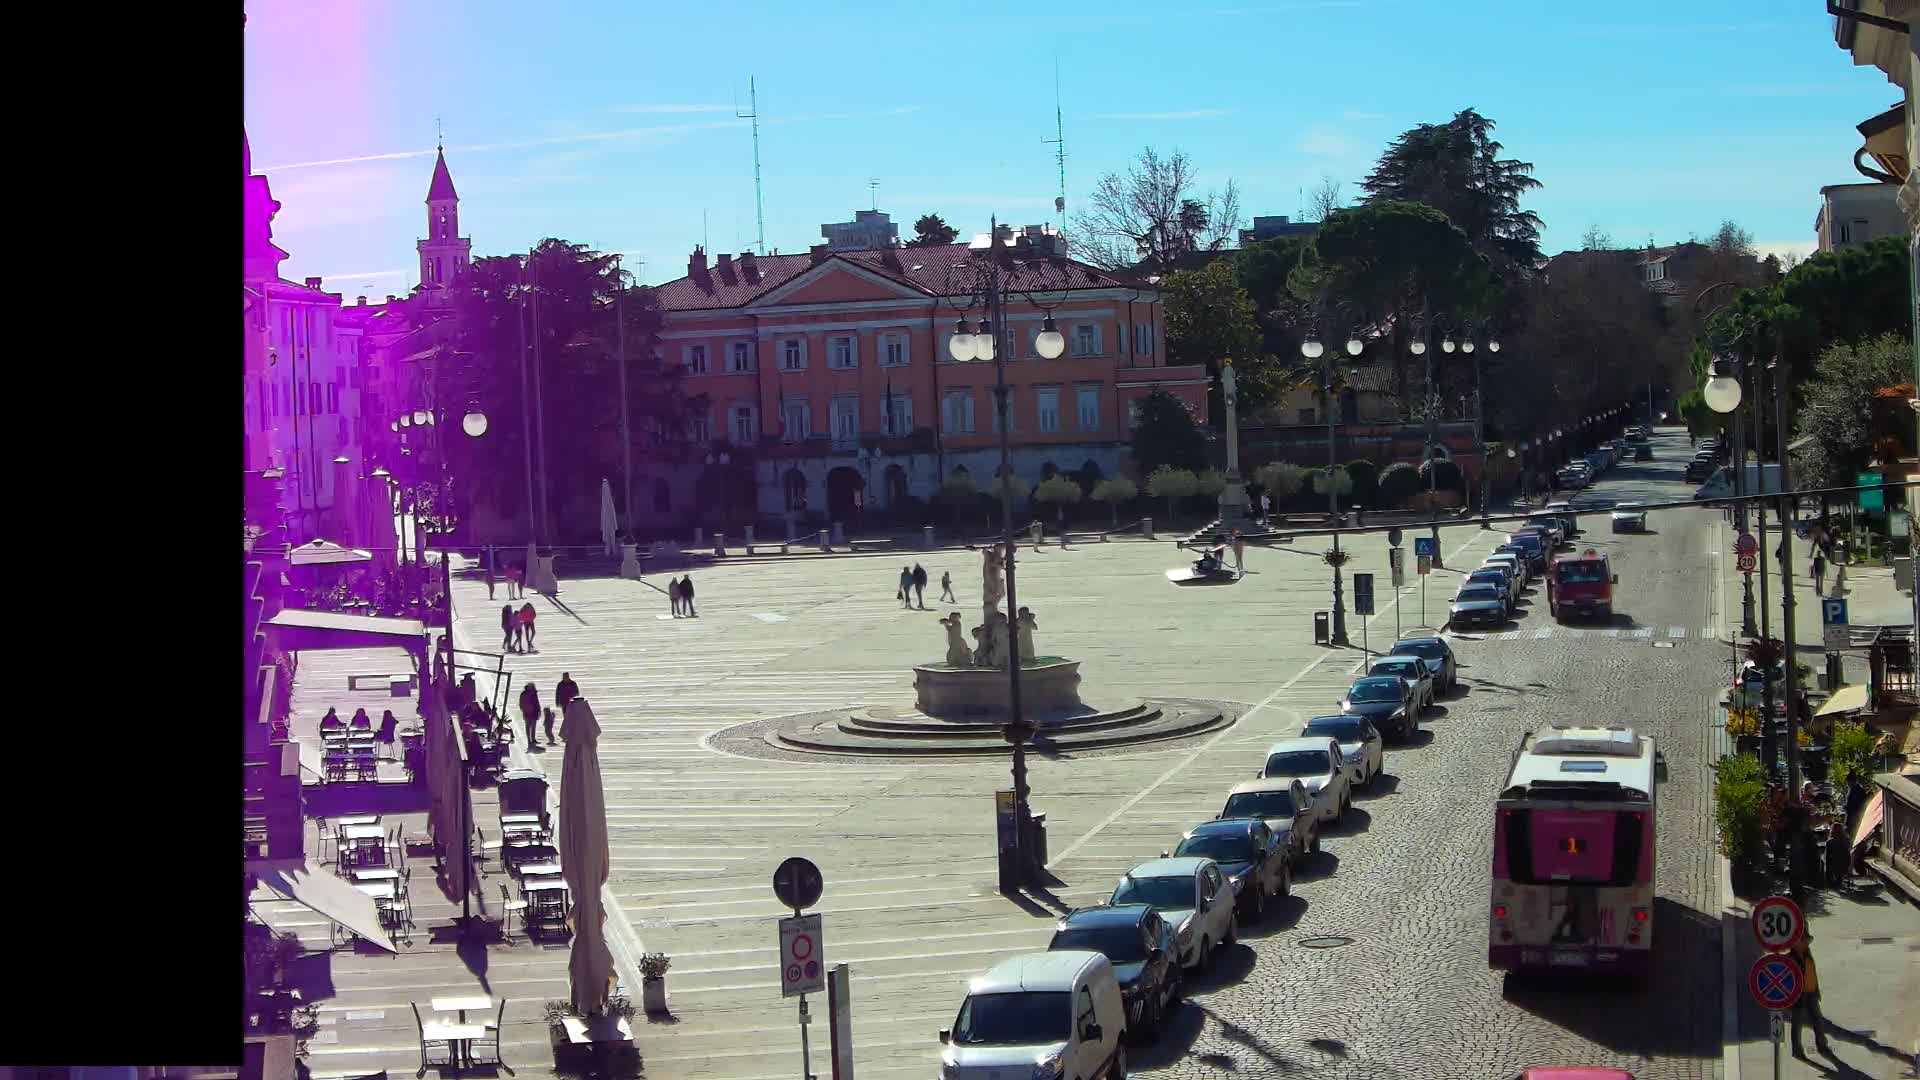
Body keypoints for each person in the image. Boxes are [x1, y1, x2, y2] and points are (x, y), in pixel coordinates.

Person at [1788, 934, 1834, 1058]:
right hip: (1798, 996)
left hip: (1811, 994)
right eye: (1804, 941)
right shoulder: (1791, 958)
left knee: (1817, 1020)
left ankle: (1822, 1046)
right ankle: (1797, 1050)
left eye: (1807, 941)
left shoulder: (1808, 955)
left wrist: (1816, 991)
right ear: (1797, 943)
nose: (1807, 944)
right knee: (1797, 1024)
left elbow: (1812, 973)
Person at [519, 682, 542, 749]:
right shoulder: (533, 693)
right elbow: (536, 702)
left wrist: (523, 709)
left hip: (527, 712)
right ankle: (531, 740)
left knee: (529, 727)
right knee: (531, 726)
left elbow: (520, 703)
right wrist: (539, 710)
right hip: (532, 712)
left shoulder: (523, 693)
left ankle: (531, 740)